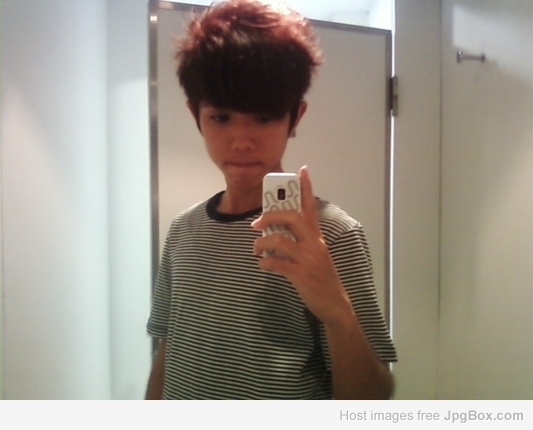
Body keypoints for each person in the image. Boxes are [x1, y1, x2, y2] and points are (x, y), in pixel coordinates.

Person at [146, 0, 397, 400]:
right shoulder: (182, 229)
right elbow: (167, 351)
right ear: (196, 115)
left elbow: (372, 398)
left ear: (295, 117)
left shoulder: (332, 233)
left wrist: (337, 313)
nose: (241, 140)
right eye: (221, 117)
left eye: (264, 117)